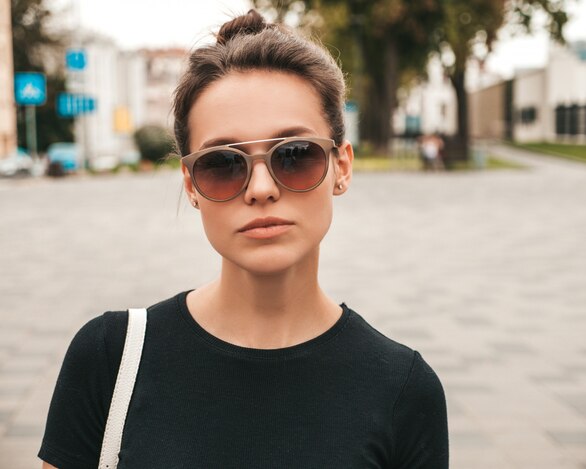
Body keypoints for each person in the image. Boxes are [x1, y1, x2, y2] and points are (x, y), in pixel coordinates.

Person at [39, 9, 448, 469]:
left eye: (294, 155)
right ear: (191, 184)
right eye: (223, 163)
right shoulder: (110, 359)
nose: (261, 188)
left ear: (341, 166)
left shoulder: (402, 389)